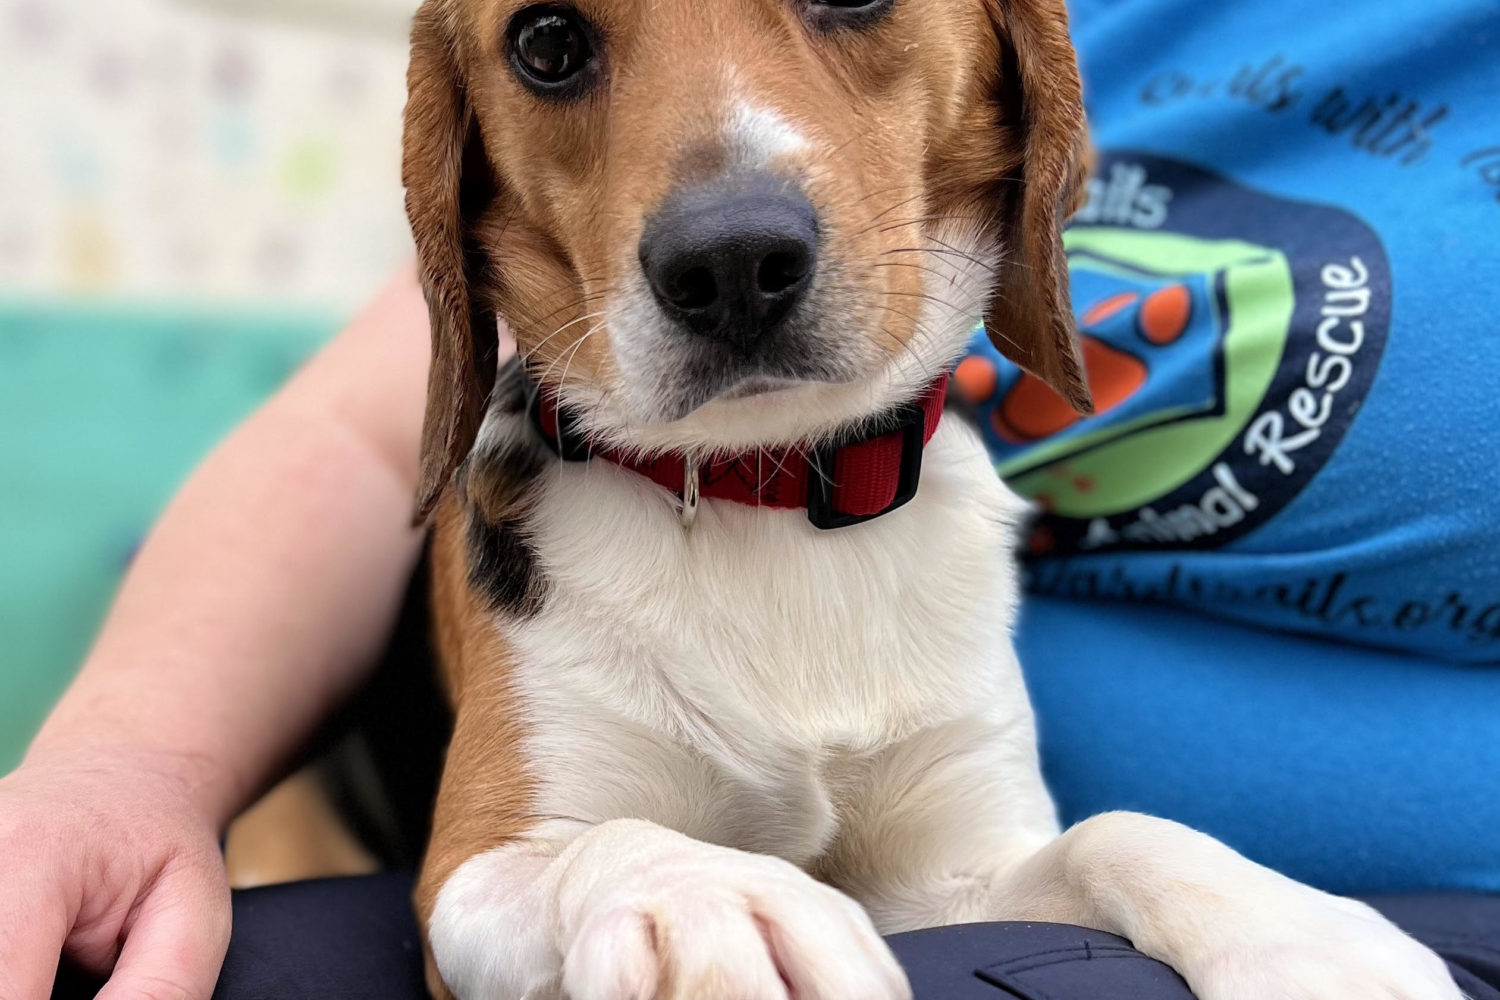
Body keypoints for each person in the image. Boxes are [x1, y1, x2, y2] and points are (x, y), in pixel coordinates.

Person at [4, 0, 1498, 997]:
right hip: (358, 821)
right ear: (471, 176)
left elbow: (971, 889)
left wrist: (1160, 875)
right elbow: (475, 897)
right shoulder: (509, 509)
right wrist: (614, 868)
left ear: (1010, 77)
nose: (718, 218)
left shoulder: (955, 522)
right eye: (553, 42)